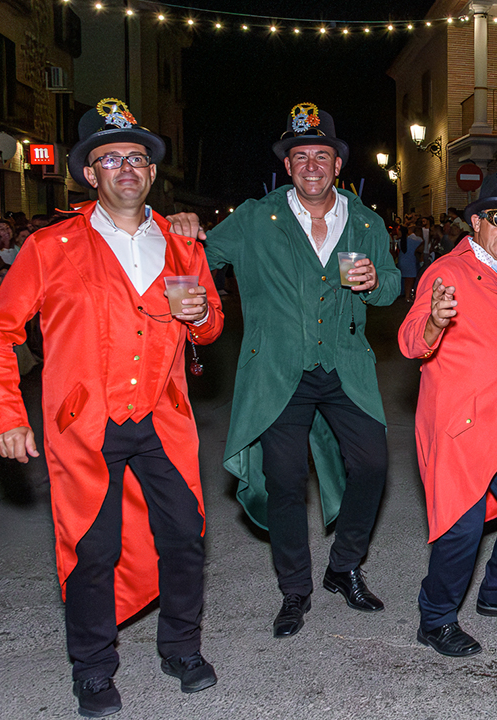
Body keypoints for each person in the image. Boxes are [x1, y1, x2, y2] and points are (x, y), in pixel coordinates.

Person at [0, 98, 224, 717]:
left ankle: (182, 649)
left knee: (184, 537)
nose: (125, 169)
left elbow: (211, 325)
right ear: (89, 173)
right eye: (109, 158)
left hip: (163, 418)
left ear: (150, 171)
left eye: (136, 158)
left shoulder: (179, 241)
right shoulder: (49, 246)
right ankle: (92, 668)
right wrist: (5, 415)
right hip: (83, 423)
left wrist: (200, 320)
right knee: (93, 548)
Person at [168, 102, 400, 638]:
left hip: (345, 366)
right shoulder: (255, 216)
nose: (312, 165)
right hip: (276, 370)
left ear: (338, 165)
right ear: (289, 165)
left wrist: (373, 282)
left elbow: (391, 285)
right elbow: (199, 256)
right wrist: (180, 229)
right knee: (285, 481)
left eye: (322, 155)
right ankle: (294, 590)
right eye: (301, 156)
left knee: (371, 467)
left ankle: (344, 568)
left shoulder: (364, 221)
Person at [398, 167, 497, 658]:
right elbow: (409, 339)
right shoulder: (447, 271)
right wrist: (433, 324)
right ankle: (436, 619)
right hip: (462, 425)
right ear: (475, 223)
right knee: (460, 528)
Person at [398, 225, 423, 302]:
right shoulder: (417, 240)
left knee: (405, 279)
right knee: (410, 279)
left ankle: (405, 294)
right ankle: (407, 296)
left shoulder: (403, 240)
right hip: (410, 261)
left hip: (402, 260)